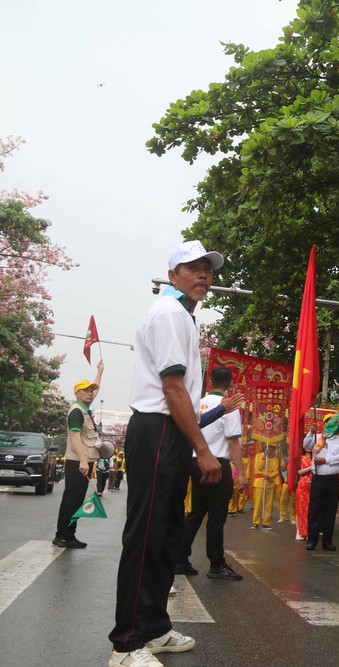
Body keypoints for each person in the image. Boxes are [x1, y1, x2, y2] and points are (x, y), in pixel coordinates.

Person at [108, 240, 225, 667]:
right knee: (146, 535)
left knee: (167, 534)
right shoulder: (171, 314)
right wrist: (203, 450)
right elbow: (173, 387)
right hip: (158, 429)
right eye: (193, 268)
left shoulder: (182, 316)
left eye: (208, 270)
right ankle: (126, 644)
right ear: (172, 274)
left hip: (170, 431)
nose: (203, 276)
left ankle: (154, 629)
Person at [174, 365, 247, 581]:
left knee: (196, 512)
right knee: (216, 516)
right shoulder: (230, 406)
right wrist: (241, 474)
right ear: (231, 384)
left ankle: (180, 557)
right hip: (217, 464)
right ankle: (216, 564)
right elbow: (233, 442)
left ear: (210, 382)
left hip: (195, 462)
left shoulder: (198, 403)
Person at [54, 360, 105, 549]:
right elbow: (75, 438)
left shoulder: (83, 408)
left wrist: (100, 372)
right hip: (78, 462)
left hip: (82, 462)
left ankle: (63, 535)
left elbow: (96, 389)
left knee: (72, 498)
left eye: (91, 390)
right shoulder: (76, 411)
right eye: (86, 390)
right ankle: (65, 536)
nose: (90, 393)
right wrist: (84, 461)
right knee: (73, 499)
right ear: (76, 393)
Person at [307, 413, 339, 551]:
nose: (330, 425)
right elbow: (306, 444)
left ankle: (327, 541)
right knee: (314, 510)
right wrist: (310, 432)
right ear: (323, 424)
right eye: (327, 422)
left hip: (332, 480)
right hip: (318, 479)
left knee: (330, 511)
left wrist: (326, 460)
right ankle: (312, 540)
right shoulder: (317, 438)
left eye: (333, 422)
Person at [252, 443, 281, 530]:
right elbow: (258, 468)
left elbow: (276, 471)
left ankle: (266, 523)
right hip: (259, 483)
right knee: (257, 504)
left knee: (268, 505)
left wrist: (269, 476)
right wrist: (264, 457)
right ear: (265, 447)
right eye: (269, 447)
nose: (270, 449)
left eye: (272, 448)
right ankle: (255, 522)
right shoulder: (259, 455)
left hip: (270, 483)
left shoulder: (276, 460)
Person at [295, 431, 316, 541]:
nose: (309, 447)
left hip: (314, 485)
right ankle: (300, 531)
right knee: (301, 508)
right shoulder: (301, 457)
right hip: (303, 485)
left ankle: (309, 531)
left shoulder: (316, 458)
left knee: (311, 510)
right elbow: (299, 472)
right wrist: (310, 468)